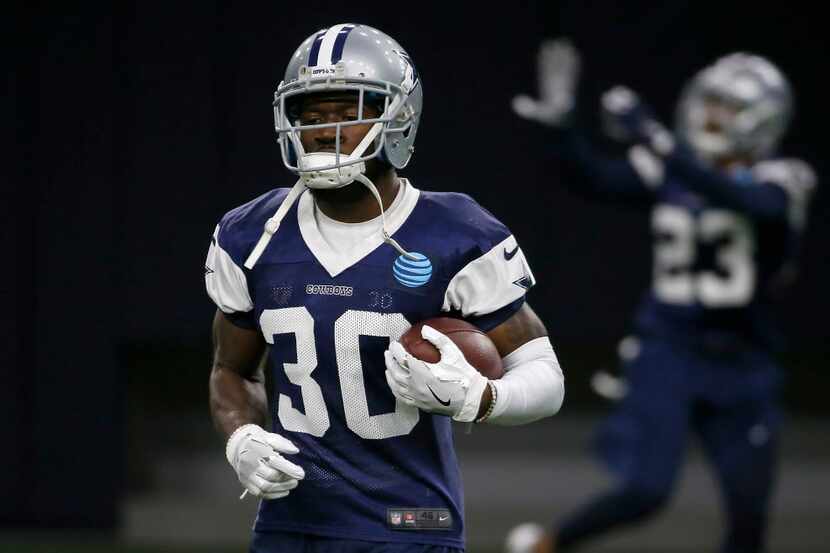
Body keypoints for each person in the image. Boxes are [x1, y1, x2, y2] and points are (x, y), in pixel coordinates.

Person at [204, 23, 566, 553]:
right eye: (310, 115)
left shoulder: (457, 233)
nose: (325, 130)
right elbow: (231, 370)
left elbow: (545, 376)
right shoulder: (249, 235)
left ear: (397, 118)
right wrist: (240, 438)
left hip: (412, 525)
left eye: (347, 111)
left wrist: (484, 398)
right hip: (291, 526)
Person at [505, 40, 816, 553]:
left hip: (744, 362)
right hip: (669, 349)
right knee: (646, 490)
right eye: (710, 101)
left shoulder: (785, 179)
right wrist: (560, 126)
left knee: (749, 516)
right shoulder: (675, 166)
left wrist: (657, 139)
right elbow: (591, 177)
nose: (712, 115)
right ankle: (549, 543)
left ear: (763, 118)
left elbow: (747, 202)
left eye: (729, 107)